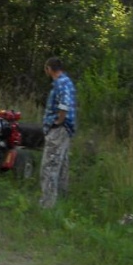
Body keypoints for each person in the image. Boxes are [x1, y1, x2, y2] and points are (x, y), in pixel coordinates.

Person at [40, 57, 77, 208]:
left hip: (58, 130)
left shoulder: (61, 83)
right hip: (65, 130)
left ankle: (47, 204)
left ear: (49, 69)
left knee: (49, 166)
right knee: (61, 165)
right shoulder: (66, 82)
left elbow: (65, 104)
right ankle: (62, 198)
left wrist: (59, 120)